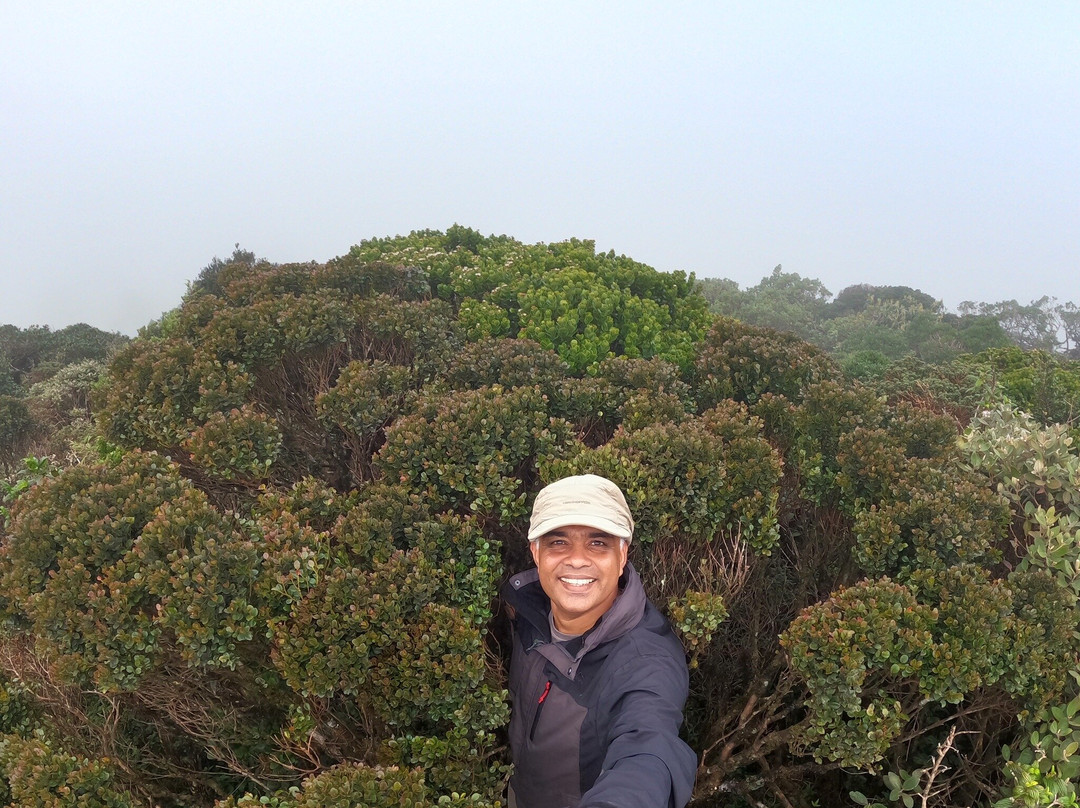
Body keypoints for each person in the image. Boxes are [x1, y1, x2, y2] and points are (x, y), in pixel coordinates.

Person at [502, 473, 697, 808]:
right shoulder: (528, 609)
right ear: (536, 552)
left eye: (598, 543)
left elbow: (648, 748)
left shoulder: (645, 661)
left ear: (622, 555)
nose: (577, 559)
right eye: (558, 542)